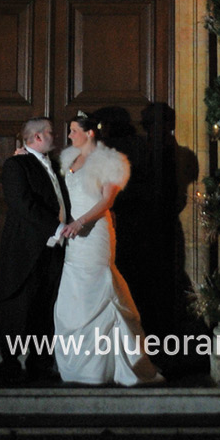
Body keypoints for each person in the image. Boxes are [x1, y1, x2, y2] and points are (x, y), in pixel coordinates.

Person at [54, 113, 164, 386]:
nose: (70, 136)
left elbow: (107, 201)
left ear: (90, 133)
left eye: (74, 130)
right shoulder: (69, 159)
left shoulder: (109, 161)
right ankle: (81, 366)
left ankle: (117, 366)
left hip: (95, 233)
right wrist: (62, 225)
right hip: (74, 237)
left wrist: (80, 223)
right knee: (76, 292)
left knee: (101, 289)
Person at [0, 117, 69, 384]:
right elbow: (23, 204)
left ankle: (40, 363)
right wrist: (58, 227)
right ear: (37, 137)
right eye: (51, 132)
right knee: (19, 308)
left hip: (53, 249)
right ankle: (10, 365)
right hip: (26, 248)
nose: (55, 136)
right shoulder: (16, 165)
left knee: (46, 308)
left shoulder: (57, 165)